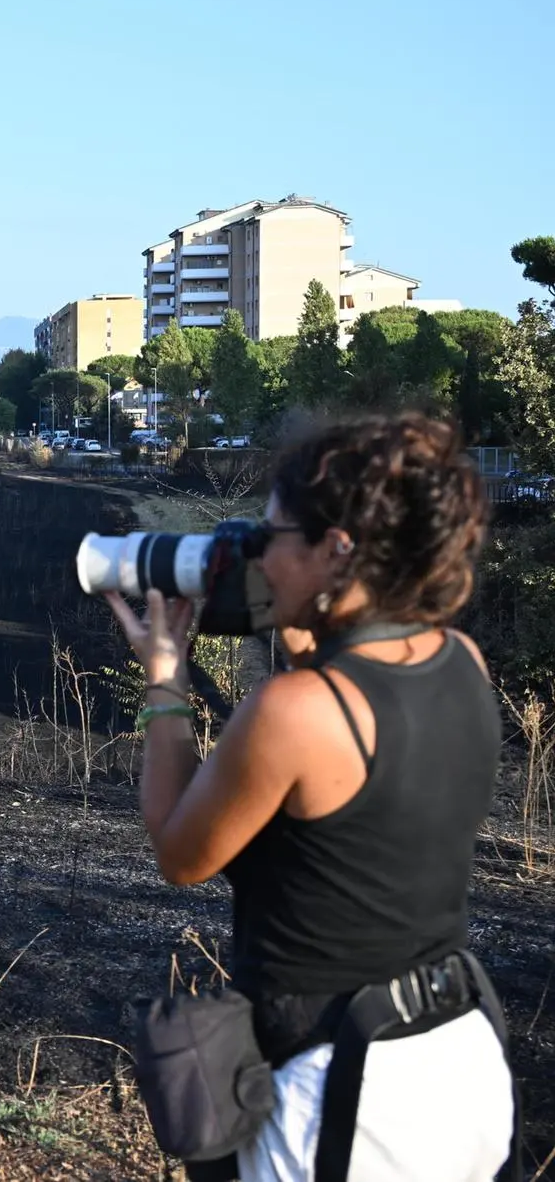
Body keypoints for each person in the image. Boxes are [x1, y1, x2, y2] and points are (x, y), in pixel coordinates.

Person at [103, 413, 512, 1182]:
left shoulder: (298, 712)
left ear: (336, 549)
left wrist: (164, 683)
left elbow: (177, 849)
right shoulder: (462, 660)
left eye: (271, 537)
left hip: (346, 1094)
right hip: (456, 1055)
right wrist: (297, 635)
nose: (258, 555)